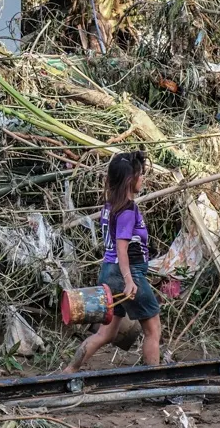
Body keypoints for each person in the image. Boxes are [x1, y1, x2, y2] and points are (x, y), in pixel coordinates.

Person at [64, 151, 162, 373]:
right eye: (140, 174)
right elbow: (121, 248)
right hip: (125, 273)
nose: (143, 178)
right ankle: (153, 380)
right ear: (130, 179)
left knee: (106, 333)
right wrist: (129, 280)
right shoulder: (127, 210)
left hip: (109, 272)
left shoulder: (109, 207)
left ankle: (70, 370)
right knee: (153, 330)